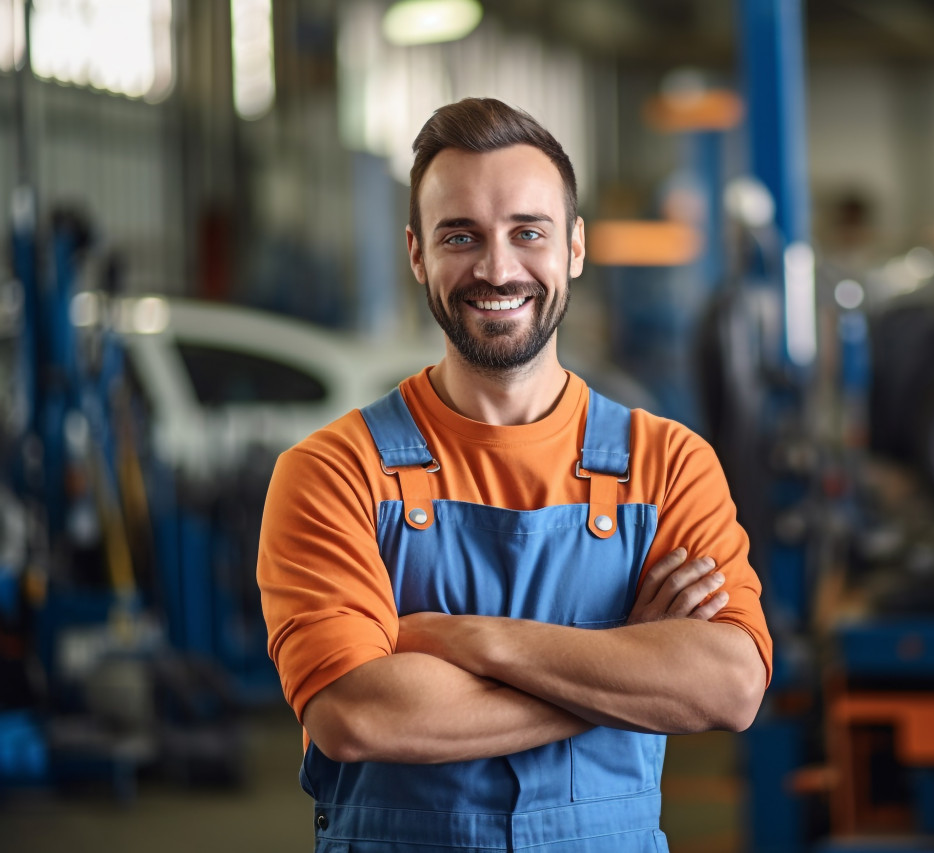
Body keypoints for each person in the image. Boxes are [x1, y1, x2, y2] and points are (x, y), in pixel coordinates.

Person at [257, 97, 772, 853]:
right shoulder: (334, 473)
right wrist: (627, 662)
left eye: (527, 232)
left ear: (574, 247)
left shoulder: (666, 466)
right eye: (460, 235)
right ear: (415, 254)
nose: (497, 268)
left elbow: (729, 685)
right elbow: (358, 714)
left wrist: (471, 640)